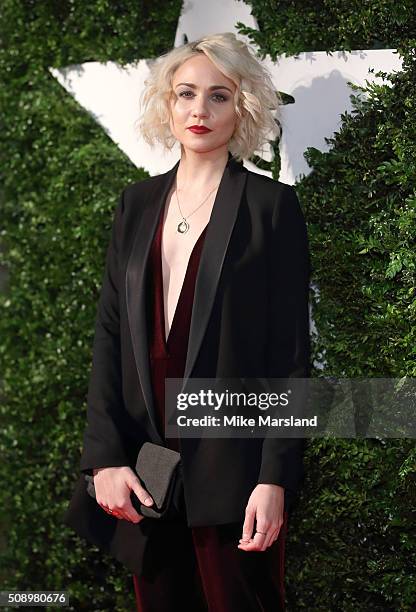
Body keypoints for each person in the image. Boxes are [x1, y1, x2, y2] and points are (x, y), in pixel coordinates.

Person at [64, 32, 311, 612]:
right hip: (148, 468)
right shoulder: (136, 204)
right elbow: (109, 338)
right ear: (167, 103)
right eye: (186, 94)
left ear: (242, 105)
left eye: (218, 96)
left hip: (236, 470)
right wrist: (105, 458)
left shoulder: (270, 209)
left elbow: (290, 357)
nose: (199, 110)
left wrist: (274, 478)